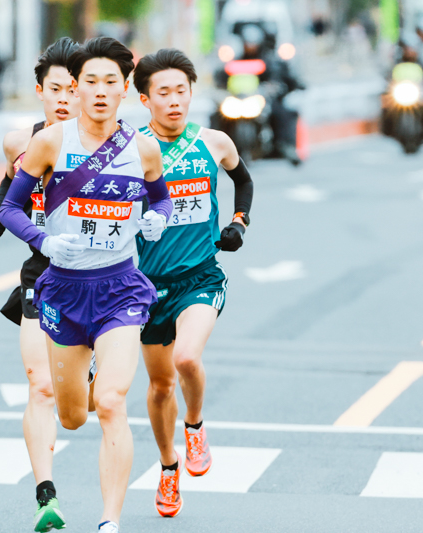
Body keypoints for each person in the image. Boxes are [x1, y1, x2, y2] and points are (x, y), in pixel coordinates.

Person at [0, 37, 170, 533]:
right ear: (76, 89)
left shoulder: (143, 149)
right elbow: (10, 207)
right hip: (65, 289)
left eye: (109, 82)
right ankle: (89, 375)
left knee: (113, 401)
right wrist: (43, 242)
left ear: (125, 91)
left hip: (120, 289)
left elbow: (159, 201)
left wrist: (156, 220)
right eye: (89, 82)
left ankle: (109, 521)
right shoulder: (52, 143)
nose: (99, 91)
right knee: (73, 415)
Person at [133, 49, 253, 518]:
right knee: (160, 385)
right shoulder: (131, 149)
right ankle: (167, 470)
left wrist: (240, 223)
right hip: (144, 287)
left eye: (181, 90)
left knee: (186, 356)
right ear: (145, 99)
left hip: (200, 275)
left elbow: (243, 180)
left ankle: (196, 425)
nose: (174, 101)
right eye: (163, 93)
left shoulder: (214, 142)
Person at [0, 37, 80, 533]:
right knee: (39, 384)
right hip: (41, 276)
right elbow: (14, 185)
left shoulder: (112, 144)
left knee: (78, 411)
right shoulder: (19, 142)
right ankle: (47, 496)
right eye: (55, 89)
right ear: (41, 91)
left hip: (102, 281)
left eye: (73, 88)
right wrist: (0, 208)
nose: (64, 98)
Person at [215, 23, 304, 164]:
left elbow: (280, 77)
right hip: (237, 99)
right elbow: (220, 78)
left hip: (261, 99)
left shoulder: (270, 60)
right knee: (218, 114)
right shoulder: (235, 61)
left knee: (282, 112)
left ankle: (285, 146)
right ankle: (215, 150)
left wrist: (275, 87)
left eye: (253, 43)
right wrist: (220, 90)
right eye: (247, 43)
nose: (250, 46)